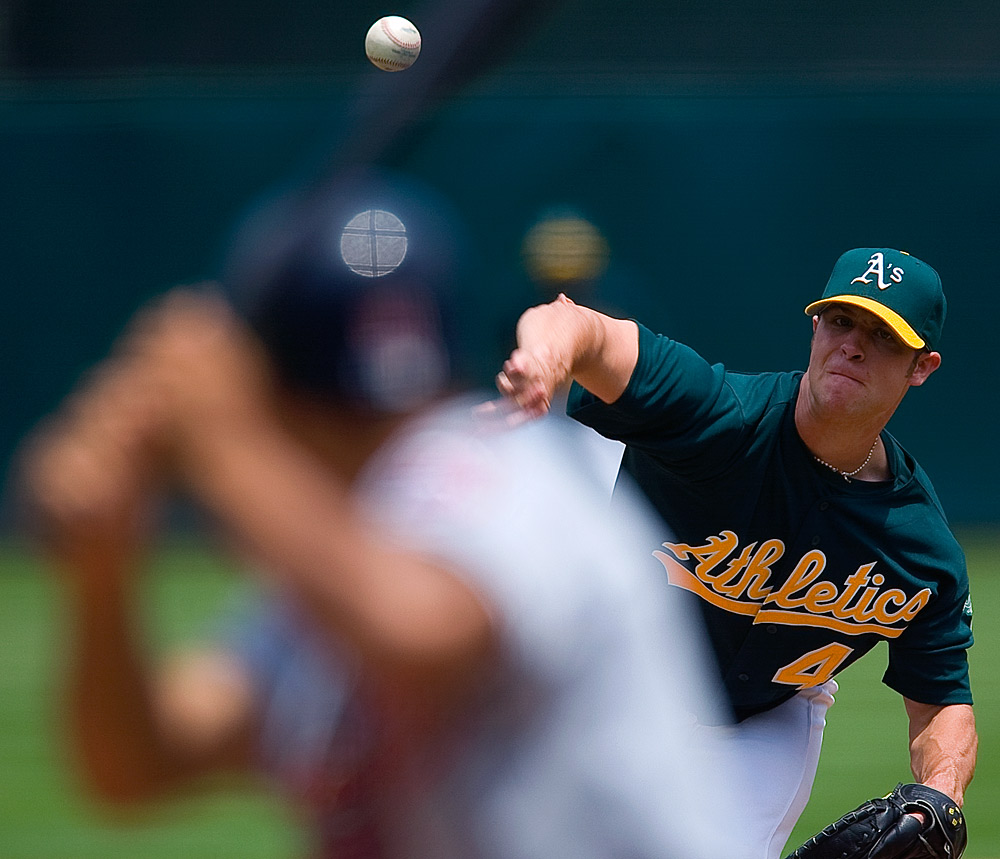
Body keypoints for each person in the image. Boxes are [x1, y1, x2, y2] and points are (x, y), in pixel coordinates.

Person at [18, 171, 749, 859]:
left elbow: (421, 633)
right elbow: (139, 761)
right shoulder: (347, 558)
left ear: (273, 391)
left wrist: (218, 440)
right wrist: (103, 570)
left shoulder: (505, 470)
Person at [495, 247, 978, 858]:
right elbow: (577, 322)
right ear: (815, 327)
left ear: (922, 367)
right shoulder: (714, 414)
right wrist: (543, 358)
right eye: (841, 321)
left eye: (884, 335)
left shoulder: (920, 550)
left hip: (764, 722)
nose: (853, 345)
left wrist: (941, 794)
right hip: (612, 688)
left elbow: (942, 705)